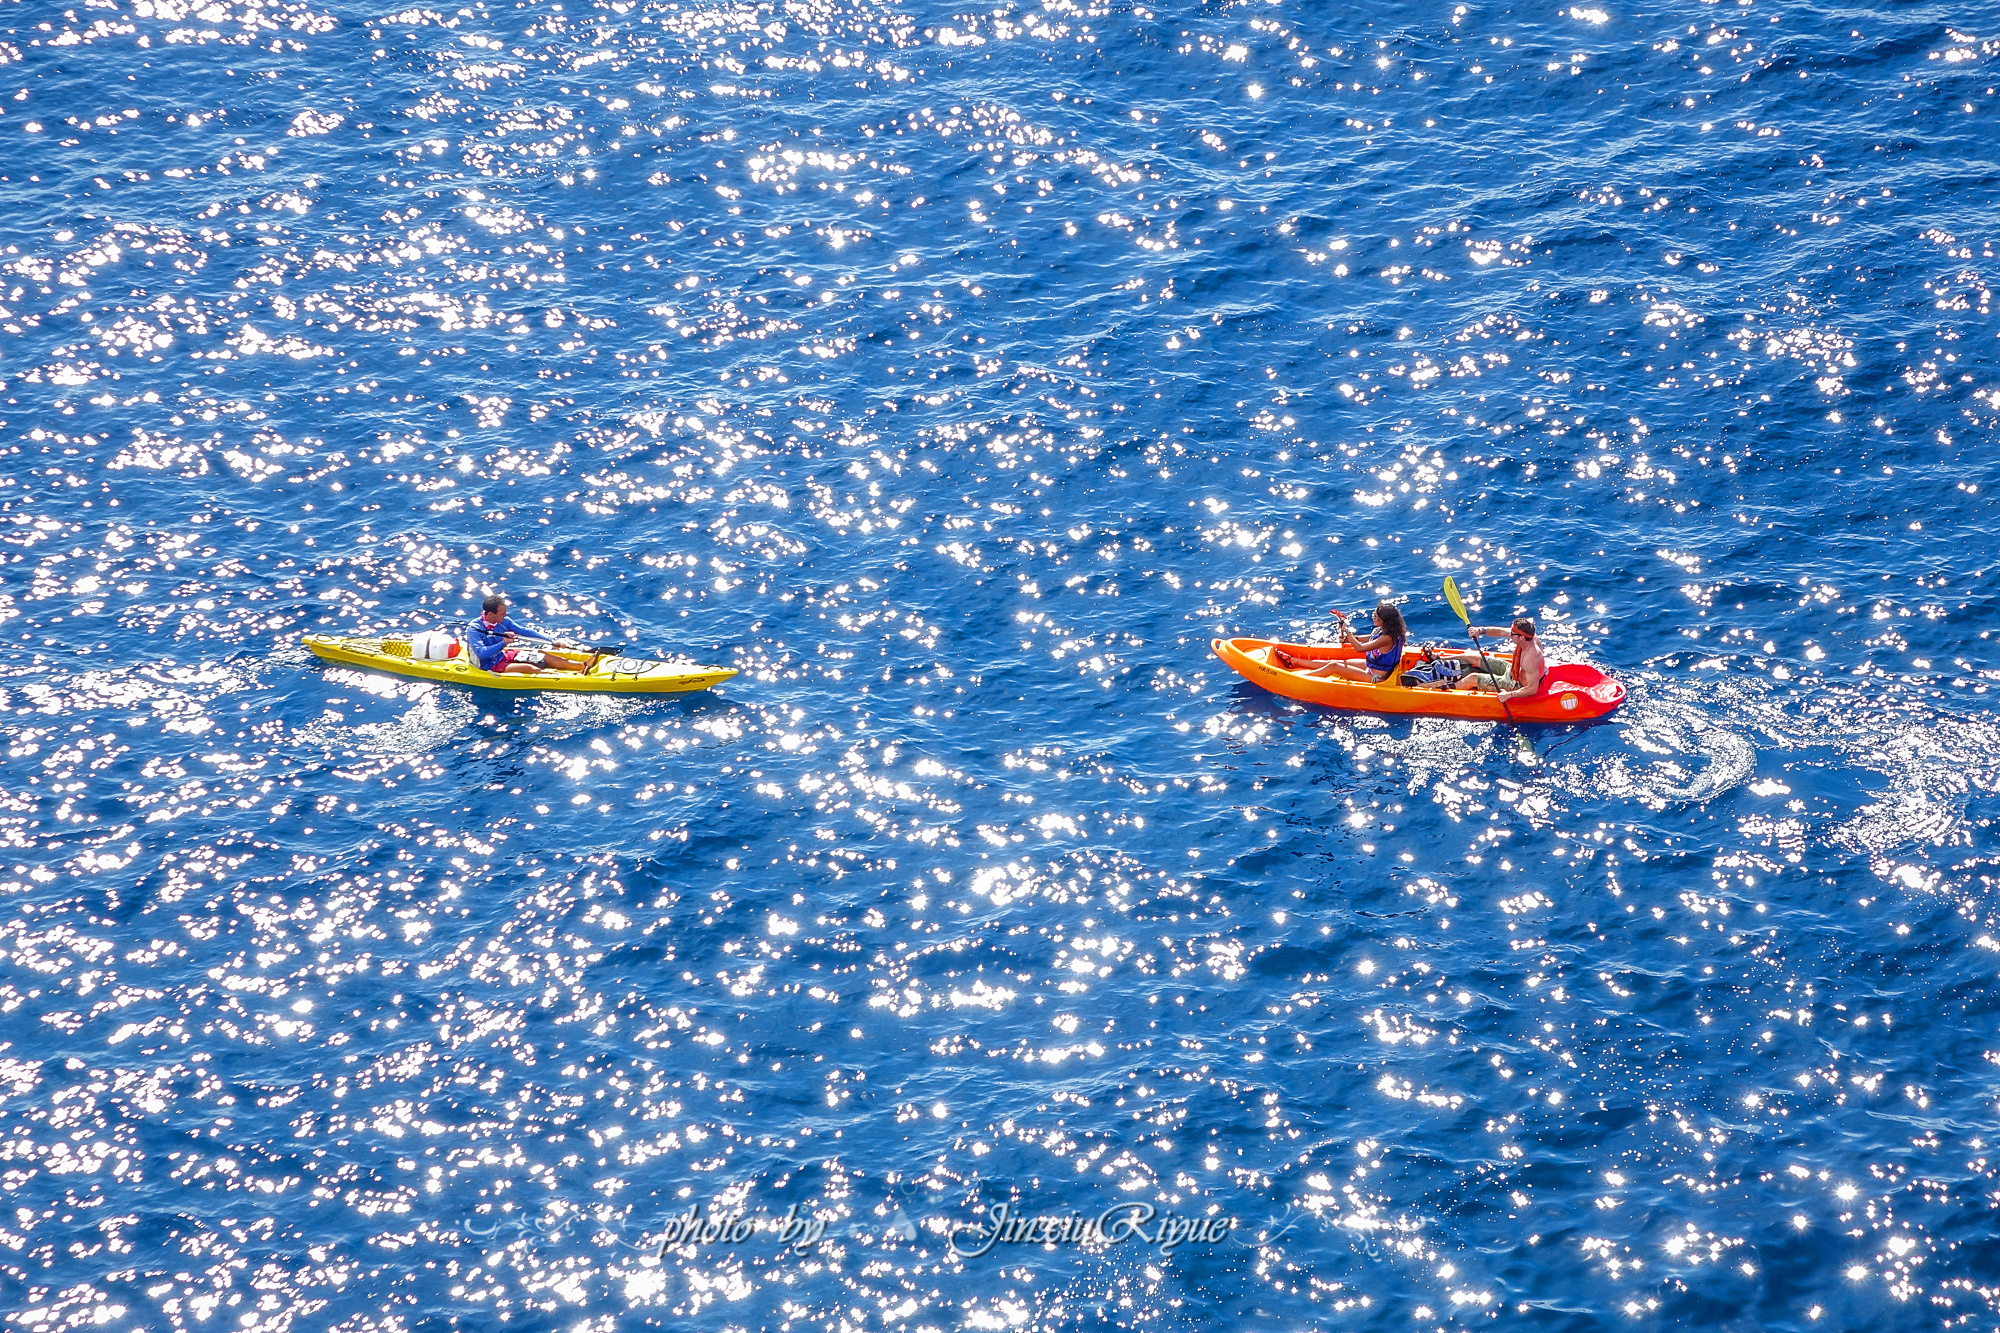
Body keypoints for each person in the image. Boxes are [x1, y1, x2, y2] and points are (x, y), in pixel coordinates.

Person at [1273, 601, 1409, 682]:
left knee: (1334, 666)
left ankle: (1299, 678)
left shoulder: (1387, 638)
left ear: (1384, 620)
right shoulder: (1382, 632)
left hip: (1376, 677)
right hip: (1372, 668)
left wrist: (1348, 631)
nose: (1373, 617)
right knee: (1336, 663)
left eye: (1375, 616)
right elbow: (1355, 640)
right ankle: (1294, 661)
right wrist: (1344, 632)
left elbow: (1360, 648)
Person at [466, 594, 593, 676]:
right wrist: (503, 643)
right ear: (490, 615)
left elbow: (525, 631)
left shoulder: (504, 621)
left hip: (502, 654)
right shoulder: (474, 629)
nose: (505, 616)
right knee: (530, 668)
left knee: (541, 655)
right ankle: (575, 675)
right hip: (487, 664)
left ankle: (581, 665)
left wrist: (550, 641)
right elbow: (481, 653)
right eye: (502, 614)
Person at [1444, 618, 1545, 699]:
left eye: (1512, 633)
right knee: (1473, 656)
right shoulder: (1528, 637)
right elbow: (1500, 632)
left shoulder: (1530, 658)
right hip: (1513, 671)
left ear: (1522, 637)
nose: (1510, 634)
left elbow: (1532, 689)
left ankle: (1443, 688)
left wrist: (1508, 695)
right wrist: (1480, 630)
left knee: (1472, 678)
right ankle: (1439, 658)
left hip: (1517, 685)